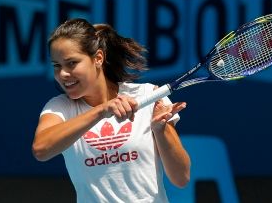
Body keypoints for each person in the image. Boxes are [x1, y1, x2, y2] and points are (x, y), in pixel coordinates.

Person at [32, 18, 191, 202]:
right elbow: (41, 150)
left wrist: (160, 130)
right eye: (57, 66)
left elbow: (181, 178)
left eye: (71, 63)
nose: (63, 74)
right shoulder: (59, 107)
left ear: (98, 58)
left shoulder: (149, 95)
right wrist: (101, 110)